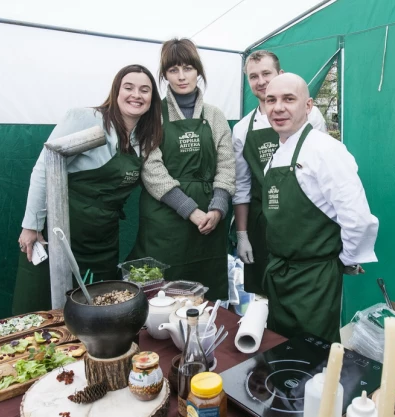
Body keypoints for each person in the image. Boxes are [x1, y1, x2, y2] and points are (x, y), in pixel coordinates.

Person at [12, 64, 163, 314]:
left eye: (144, 90)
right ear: (116, 91)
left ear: (151, 99)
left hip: (103, 241)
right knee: (46, 312)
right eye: (129, 87)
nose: (136, 95)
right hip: (61, 235)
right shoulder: (86, 118)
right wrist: (31, 225)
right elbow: (44, 169)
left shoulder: (145, 138)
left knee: (97, 310)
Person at [262, 73, 379, 343]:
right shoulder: (275, 157)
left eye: (289, 99)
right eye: (271, 100)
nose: (278, 107)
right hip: (280, 275)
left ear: (308, 105)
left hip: (314, 280)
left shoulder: (326, 151)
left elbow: (357, 219)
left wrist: (346, 259)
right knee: (280, 349)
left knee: (314, 358)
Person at [129, 38, 236, 301]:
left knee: (204, 294)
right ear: (164, 75)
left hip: (210, 219)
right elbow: (151, 168)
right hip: (165, 217)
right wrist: (190, 210)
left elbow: (227, 164)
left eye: (187, 68)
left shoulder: (214, 115)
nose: (181, 76)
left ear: (198, 71)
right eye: (173, 70)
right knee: (161, 292)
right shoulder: (154, 114)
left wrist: (218, 208)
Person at [232, 50, 328, 295]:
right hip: (262, 223)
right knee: (264, 294)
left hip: (304, 221)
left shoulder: (310, 115)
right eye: (253, 76)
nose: (261, 81)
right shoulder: (243, 129)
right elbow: (242, 187)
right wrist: (242, 234)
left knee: (303, 293)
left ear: (280, 74)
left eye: (267, 73)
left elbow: (325, 172)